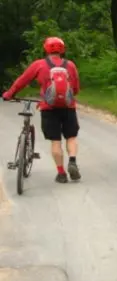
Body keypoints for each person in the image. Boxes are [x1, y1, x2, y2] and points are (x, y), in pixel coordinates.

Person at [2, 37, 81, 183]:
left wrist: (9, 94)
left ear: (45, 49)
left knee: (55, 141)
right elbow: (75, 89)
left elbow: (22, 81)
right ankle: (72, 161)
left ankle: (61, 173)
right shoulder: (70, 65)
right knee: (71, 137)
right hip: (68, 107)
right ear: (62, 50)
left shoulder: (39, 65)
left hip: (48, 108)